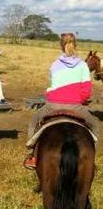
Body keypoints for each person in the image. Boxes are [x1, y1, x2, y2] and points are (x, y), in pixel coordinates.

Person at [23, 33, 99, 170]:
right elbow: (86, 91)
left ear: (61, 46)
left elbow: (54, 86)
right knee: (95, 126)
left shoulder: (54, 65)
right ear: (75, 45)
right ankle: (91, 161)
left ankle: (32, 156)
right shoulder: (83, 65)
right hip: (76, 106)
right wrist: (78, 100)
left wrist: (51, 94)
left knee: (34, 120)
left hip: (52, 105)